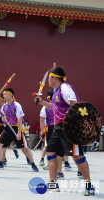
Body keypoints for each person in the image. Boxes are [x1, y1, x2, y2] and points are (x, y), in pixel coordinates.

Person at [35, 66, 95, 196]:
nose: (48, 81)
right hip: (58, 128)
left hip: (69, 128)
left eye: (50, 78)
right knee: (50, 153)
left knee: (77, 156)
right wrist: (41, 102)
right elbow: (55, 107)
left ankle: (89, 184)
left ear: (55, 78)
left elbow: (75, 104)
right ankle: (53, 183)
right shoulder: (56, 91)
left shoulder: (65, 88)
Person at [0, 88, 39, 172]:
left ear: (11, 95)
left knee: (24, 148)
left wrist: (19, 133)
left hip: (16, 128)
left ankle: (33, 164)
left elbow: (20, 119)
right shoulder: (4, 107)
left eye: (5, 94)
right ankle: (0, 162)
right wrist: (3, 118)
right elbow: (3, 118)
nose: (4, 96)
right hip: (7, 128)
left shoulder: (16, 105)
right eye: (3, 94)